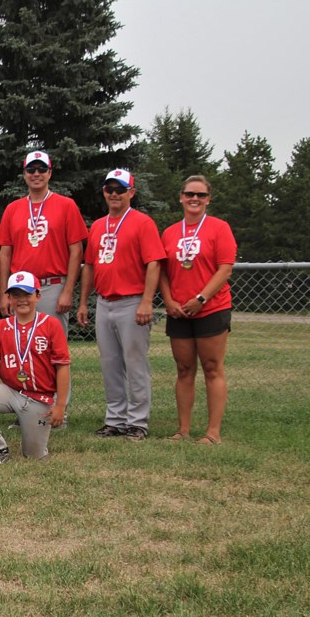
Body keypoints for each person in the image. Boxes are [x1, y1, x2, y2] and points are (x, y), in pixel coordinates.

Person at [0, 151, 87, 426]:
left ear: (50, 172)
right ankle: (26, 410)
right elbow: (5, 254)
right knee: (21, 349)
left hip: (51, 286)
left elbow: (76, 251)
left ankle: (58, 412)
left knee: (51, 352)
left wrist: (68, 289)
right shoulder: (14, 208)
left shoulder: (66, 205)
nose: (36, 174)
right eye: (31, 169)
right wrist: (4, 293)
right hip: (19, 291)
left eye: (41, 169)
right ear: (24, 174)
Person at [77, 169, 165, 441]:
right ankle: (115, 419)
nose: (114, 194)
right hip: (105, 302)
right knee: (110, 363)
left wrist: (147, 301)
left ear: (131, 193)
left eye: (120, 189)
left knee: (135, 363)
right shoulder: (99, 225)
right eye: (109, 189)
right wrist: (83, 302)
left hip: (132, 301)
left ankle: (138, 422)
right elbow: (89, 265)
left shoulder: (142, 222)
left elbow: (154, 263)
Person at [159, 175, 236, 445]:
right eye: (190, 194)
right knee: (183, 369)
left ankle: (212, 431)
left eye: (200, 195)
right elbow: (162, 271)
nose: (195, 199)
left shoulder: (219, 228)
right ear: (180, 197)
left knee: (212, 367)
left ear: (208, 199)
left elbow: (225, 267)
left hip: (210, 308)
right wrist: (168, 301)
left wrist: (201, 299)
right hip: (178, 310)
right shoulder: (169, 232)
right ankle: (183, 429)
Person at [0, 272, 70, 464]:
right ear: (9, 298)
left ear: (38, 296)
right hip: (11, 390)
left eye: (27, 294)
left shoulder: (51, 325)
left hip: (40, 397)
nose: (22, 300)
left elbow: (63, 368)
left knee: (33, 456)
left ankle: (35, 433)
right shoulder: (2, 326)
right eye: (16, 295)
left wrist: (60, 405)